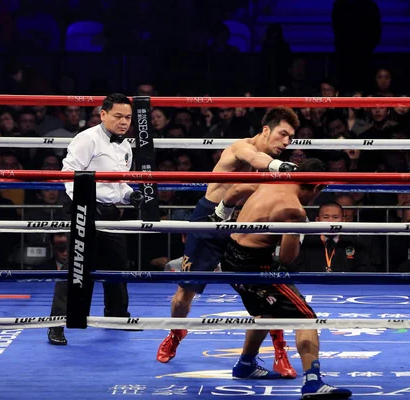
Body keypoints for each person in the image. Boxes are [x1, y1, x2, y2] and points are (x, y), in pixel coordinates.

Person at [156, 107, 300, 379]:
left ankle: (280, 351)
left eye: (291, 139)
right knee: (183, 296)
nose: (286, 142)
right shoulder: (239, 148)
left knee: (264, 293)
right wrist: (275, 167)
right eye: (283, 134)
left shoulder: (272, 164)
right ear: (266, 130)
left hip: (244, 227)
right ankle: (176, 332)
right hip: (209, 220)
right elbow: (254, 158)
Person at [220, 158, 352, 398]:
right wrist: (298, 230)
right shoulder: (293, 209)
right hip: (255, 265)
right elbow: (288, 258)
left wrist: (220, 213)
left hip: (230, 254)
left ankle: (245, 365)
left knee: (265, 312)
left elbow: (237, 189)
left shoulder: (272, 179)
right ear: (318, 187)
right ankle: (313, 382)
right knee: (307, 319)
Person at [47, 93, 144, 345]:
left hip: (110, 213)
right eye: (118, 116)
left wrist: (131, 196)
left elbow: (119, 184)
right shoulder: (87, 138)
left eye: (128, 117)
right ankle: (57, 325)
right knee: (75, 267)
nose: (124, 122)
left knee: (118, 266)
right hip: (84, 210)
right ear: (103, 115)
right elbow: (68, 174)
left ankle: (118, 317)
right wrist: (84, 203)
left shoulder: (125, 145)